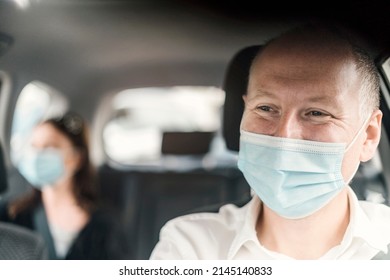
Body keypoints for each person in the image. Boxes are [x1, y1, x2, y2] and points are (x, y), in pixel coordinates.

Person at [150, 23, 390, 260]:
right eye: (266, 108)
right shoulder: (190, 247)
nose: (285, 136)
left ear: (368, 136)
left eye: (317, 113)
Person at [0, 111, 128, 259]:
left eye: (49, 147)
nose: (37, 155)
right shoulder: (10, 215)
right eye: (33, 146)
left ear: (76, 158)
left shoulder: (106, 225)